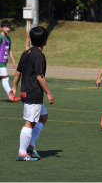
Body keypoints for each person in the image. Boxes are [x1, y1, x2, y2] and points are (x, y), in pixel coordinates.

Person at [11, 26, 52, 161]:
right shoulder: (39, 56)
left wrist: (14, 88)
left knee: (43, 116)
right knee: (30, 122)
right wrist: (48, 93)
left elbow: (18, 72)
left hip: (25, 92)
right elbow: (40, 77)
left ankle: (30, 146)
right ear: (45, 40)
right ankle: (22, 152)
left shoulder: (26, 53)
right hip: (33, 93)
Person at [0, 21, 16, 102]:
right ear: (1, 28)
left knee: (2, 77)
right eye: (6, 27)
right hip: (0, 62)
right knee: (5, 77)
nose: (8, 28)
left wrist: (13, 61)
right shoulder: (0, 37)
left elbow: (9, 50)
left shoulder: (8, 38)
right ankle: (11, 96)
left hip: (4, 62)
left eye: (9, 27)